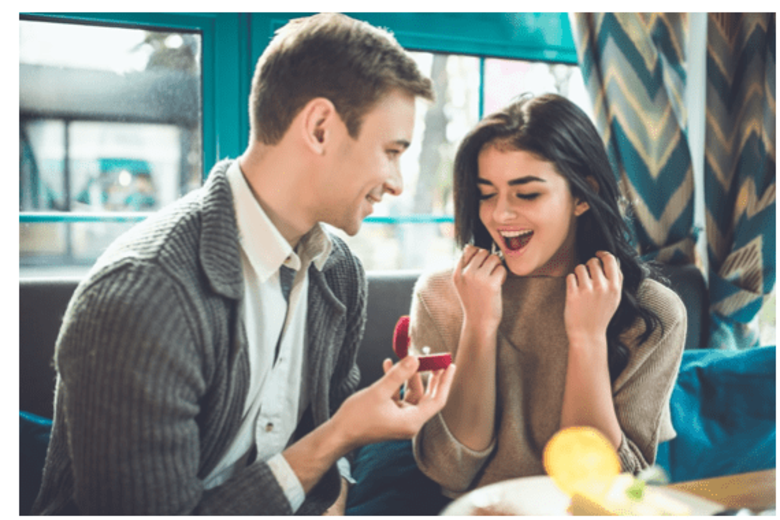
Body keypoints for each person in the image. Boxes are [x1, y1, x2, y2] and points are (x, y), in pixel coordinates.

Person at [32, 13, 455, 515]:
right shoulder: (142, 295)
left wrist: (342, 471)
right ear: (320, 128)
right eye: (390, 151)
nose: (397, 182)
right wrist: (341, 433)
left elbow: (329, 452)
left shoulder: (338, 272)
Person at [408, 93, 686, 497]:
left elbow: (602, 485)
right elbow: (449, 472)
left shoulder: (653, 312)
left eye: (527, 193)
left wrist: (587, 337)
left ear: (581, 195)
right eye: (487, 193)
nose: (500, 215)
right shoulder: (442, 296)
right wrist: (479, 325)